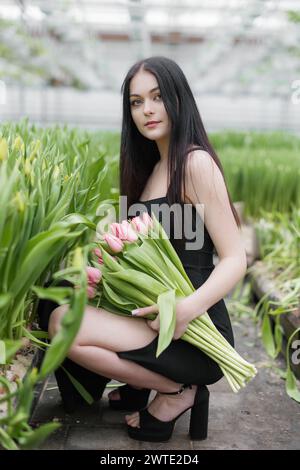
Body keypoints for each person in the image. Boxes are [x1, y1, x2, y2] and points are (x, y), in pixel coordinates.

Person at [46, 56, 247, 442]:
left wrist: (186, 309)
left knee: (63, 325)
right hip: (152, 319)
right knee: (52, 300)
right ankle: (142, 384)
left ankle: (177, 391)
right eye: (136, 102)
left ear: (178, 100)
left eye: (156, 97)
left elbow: (235, 258)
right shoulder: (150, 167)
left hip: (194, 329)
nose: (147, 110)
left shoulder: (194, 163)